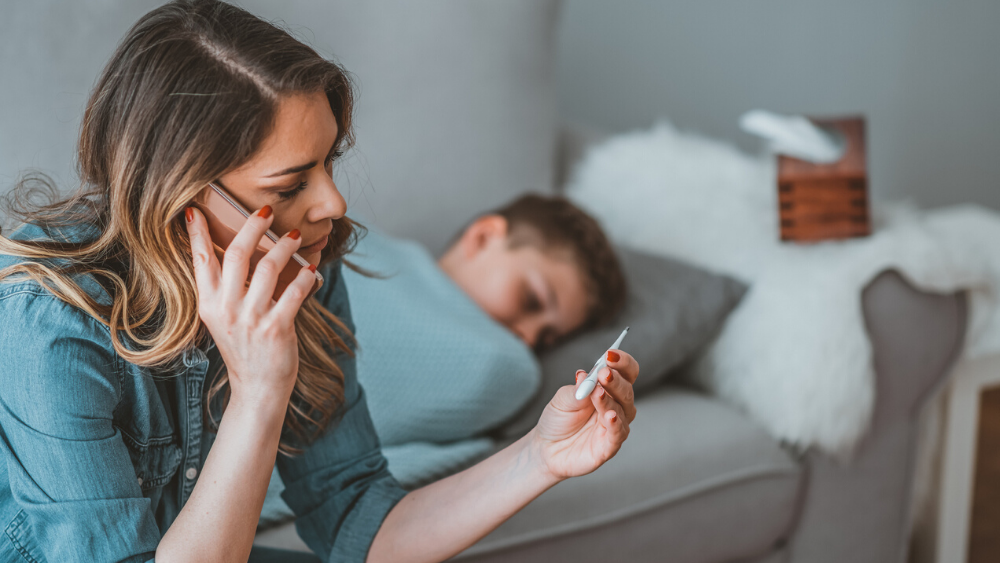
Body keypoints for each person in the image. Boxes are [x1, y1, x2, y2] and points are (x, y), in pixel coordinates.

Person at [0, 2, 639, 563]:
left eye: (329, 162)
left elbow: (361, 523)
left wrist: (541, 456)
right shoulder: (50, 320)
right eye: (290, 185)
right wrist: (259, 392)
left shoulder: (300, 271)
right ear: (181, 195)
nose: (333, 204)